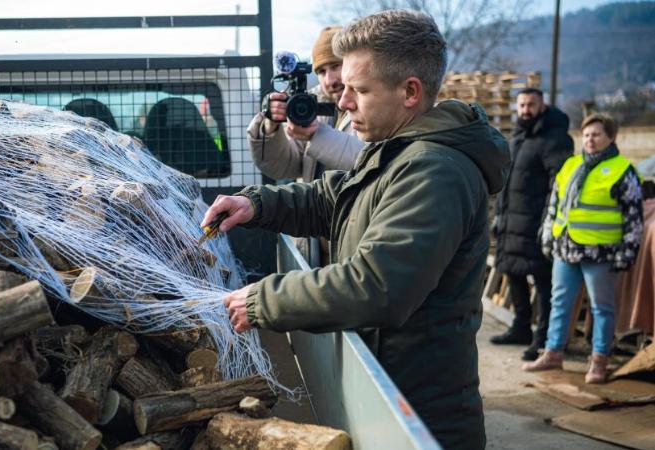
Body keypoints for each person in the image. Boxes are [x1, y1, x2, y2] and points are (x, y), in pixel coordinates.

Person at [203, 10, 509, 449]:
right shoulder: (395, 150)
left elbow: (377, 285)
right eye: (343, 87)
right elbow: (333, 198)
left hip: (416, 417)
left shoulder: (433, 171)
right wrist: (255, 203)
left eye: (359, 90)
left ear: (409, 91)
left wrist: (262, 300)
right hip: (384, 395)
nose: (342, 102)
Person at [523, 113, 643, 384]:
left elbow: (633, 216)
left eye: (596, 134)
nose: (590, 139)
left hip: (601, 252)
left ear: (611, 137)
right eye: (586, 135)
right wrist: (548, 235)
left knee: (601, 308)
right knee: (560, 303)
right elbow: (554, 205)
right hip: (567, 248)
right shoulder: (571, 165)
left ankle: (599, 361)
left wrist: (628, 251)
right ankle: (553, 352)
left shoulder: (622, 170)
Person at [490, 88, 574, 361]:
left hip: (536, 222)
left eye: (531, 105)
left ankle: (544, 336)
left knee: (544, 282)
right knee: (512, 273)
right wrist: (499, 215)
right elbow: (507, 179)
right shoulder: (518, 136)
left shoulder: (554, 138)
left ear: (542, 106)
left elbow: (558, 184)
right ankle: (521, 327)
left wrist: (547, 223)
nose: (525, 109)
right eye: (522, 104)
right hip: (512, 219)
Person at [248, 25, 364, 182]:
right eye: (321, 71)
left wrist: (317, 135)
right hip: (315, 206)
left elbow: (371, 162)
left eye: (336, 66)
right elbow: (283, 167)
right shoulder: (309, 105)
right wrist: (270, 127)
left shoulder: (373, 105)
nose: (330, 80)